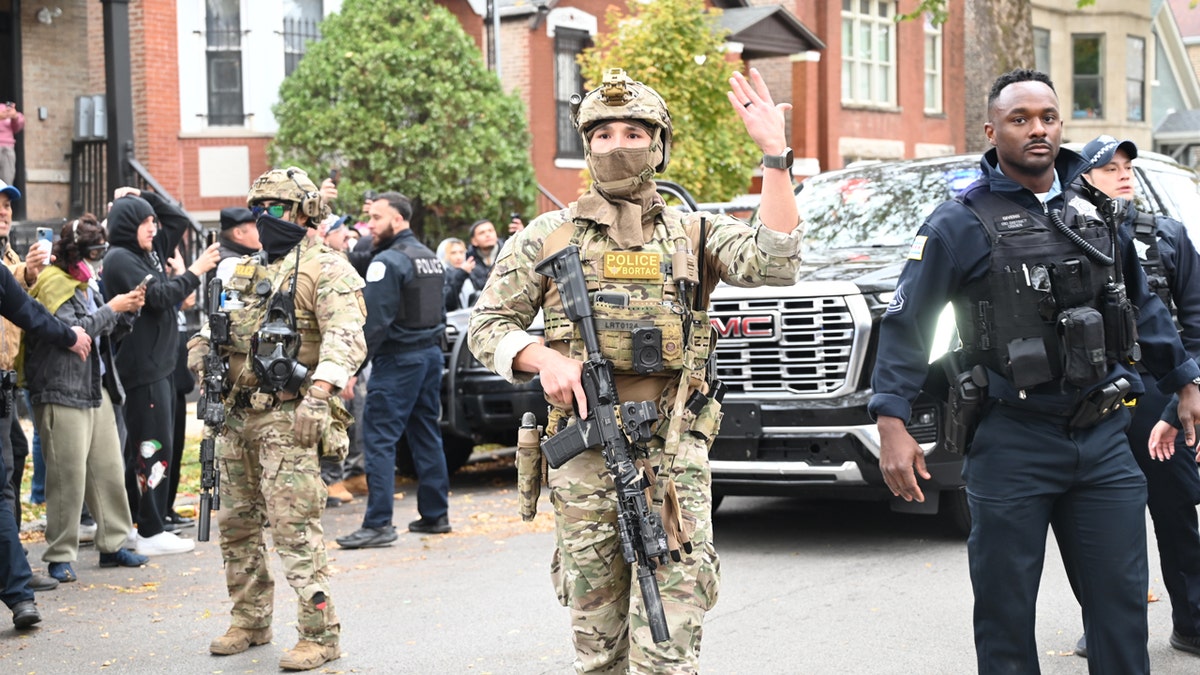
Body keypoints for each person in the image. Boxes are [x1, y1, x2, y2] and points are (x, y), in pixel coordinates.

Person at [468, 67, 802, 672]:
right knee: (597, 644)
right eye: (601, 135)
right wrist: (540, 356)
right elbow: (485, 325)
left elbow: (774, 263)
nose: (616, 145)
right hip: (586, 457)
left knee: (669, 640)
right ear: (585, 145)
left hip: (672, 457)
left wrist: (774, 158)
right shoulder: (547, 237)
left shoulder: (694, 231)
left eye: (632, 132)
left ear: (659, 145)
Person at [869, 69, 1200, 674]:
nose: (1037, 129)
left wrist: (1184, 378)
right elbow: (906, 323)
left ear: (1060, 125)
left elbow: (1143, 306)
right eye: (1020, 120)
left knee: (1122, 609)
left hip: (1102, 439)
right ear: (993, 131)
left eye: (1047, 117)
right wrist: (891, 418)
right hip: (1011, 437)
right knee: (1005, 613)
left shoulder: (1097, 212)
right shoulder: (957, 223)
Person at [187, 167, 366, 671]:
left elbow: (347, 336)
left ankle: (319, 633)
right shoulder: (244, 271)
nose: (266, 218)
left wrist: (320, 393)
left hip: (290, 415)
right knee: (237, 525)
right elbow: (212, 328)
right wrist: (202, 353)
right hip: (236, 417)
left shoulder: (326, 268)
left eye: (278, 208)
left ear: (305, 212)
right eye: (259, 209)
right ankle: (249, 619)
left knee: (294, 527)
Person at [1067, 135, 1200, 659]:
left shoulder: (1166, 237)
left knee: (1176, 510)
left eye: (1127, 166)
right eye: (1108, 168)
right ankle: (1104, 623)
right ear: (1082, 181)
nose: (1123, 174)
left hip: (1158, 396)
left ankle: (1191, 619)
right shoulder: (1067, 236)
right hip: (1095, 396)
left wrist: (1181, 395)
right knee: (1100, 522)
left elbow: (1195, 324)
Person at [27, 215, 151, 582]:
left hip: (95, 388)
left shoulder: (86, 281)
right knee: (67, 476)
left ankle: (113, 544)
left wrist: (129, 309)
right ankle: (58, 555)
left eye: (100, 252)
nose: (95, 261)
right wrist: (113, 307)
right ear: (73, 251)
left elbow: (106, 332)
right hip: (60, 389)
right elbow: (69, 334)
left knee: (109, 469)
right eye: (91, 253)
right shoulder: (52, 282)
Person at [101, 187, 220, 557]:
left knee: (158, 444)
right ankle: (150, 529)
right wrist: (197, 270)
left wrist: (146, 195)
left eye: (152, 220)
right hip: (143, 369)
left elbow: (178, 220)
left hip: (161, 366)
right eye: (143, 221)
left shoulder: (144, 253)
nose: (153, 228)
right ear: (126, 225)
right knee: (150, 447)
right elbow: (160, 297)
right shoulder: (121, 258)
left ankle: (150, 524)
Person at [336, 191, 449, 549]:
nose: (369, 226)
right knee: (425, 432)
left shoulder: (388, 262)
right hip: (430, 356)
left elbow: (374, 323)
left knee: (379, 439)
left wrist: (352, 367)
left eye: (376, 219)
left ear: (397, 220)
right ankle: (435, 514)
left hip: (399, 360)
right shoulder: (429, 257)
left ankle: (378, 523)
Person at [1, 178, 84, 591]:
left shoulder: (11, 252)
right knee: (7, 469)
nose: (3, 212)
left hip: (8, 379)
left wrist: (27, 273)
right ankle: (12, 571)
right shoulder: (8, 262)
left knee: (13, 458)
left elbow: (20, 301)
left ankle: (11, 562)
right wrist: (23, 273)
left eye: (7, 206)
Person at [215, 206, 261, 283]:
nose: (261, 230)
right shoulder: (230, 263)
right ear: (238, 233)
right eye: (256, 227)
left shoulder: (234, 254)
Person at [436, 236, 476, 311]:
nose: (459, 257)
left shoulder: (470, 271)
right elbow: (448, 301)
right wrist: (461, 274)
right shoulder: (439, 274)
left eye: (461, 252)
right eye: (453, 253)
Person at [465, 218, 504, 291]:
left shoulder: (508, 252)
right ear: (474, 241)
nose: (488, 235)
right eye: (482, 233)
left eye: (491, 231)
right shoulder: (467, 260)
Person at [0, 102, 22, 185]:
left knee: (7, 180)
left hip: (7, 148)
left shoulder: (6, 107)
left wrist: (15, 117)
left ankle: (5, 197)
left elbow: (18, 126)